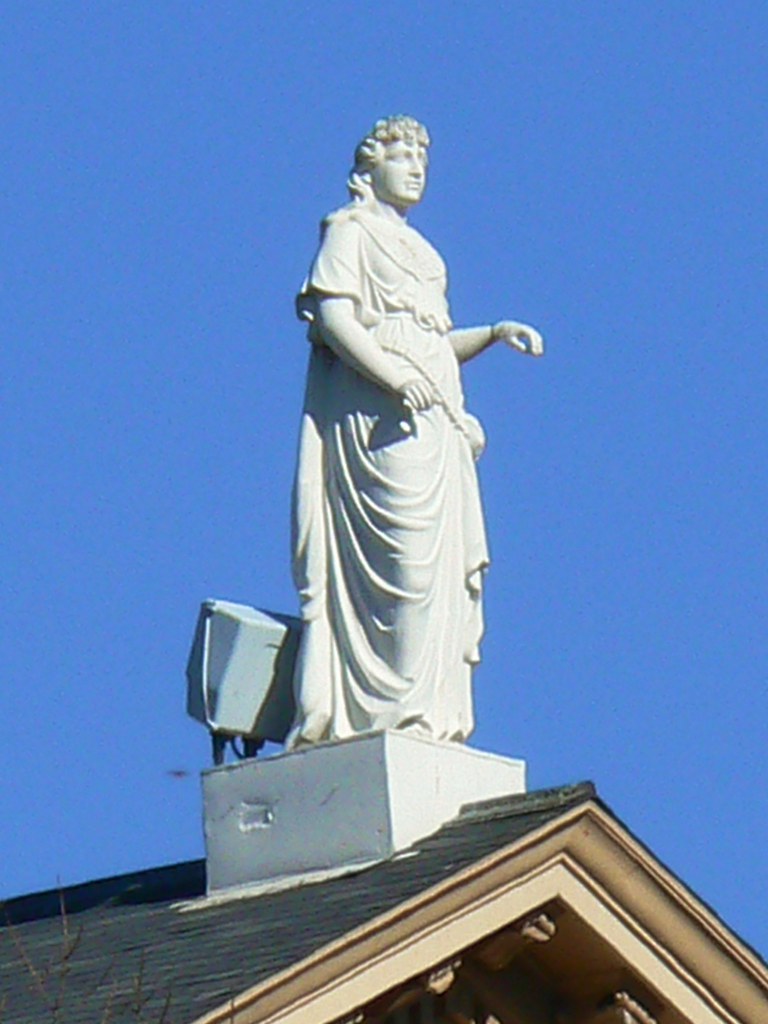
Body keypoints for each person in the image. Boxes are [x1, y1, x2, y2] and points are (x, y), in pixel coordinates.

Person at [286, 116, 543, 749]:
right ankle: (381, 714)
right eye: (403, 156)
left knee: (440, 574)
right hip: (380, 420)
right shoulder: (347, 232)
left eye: (424, 158)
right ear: (370, 166)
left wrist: (490, 333)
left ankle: (428, 717)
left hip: (436, 420)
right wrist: (393, 378)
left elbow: (430, 339)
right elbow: (335, 317)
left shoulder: (425, 253)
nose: (417, 167)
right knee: (402, 564)